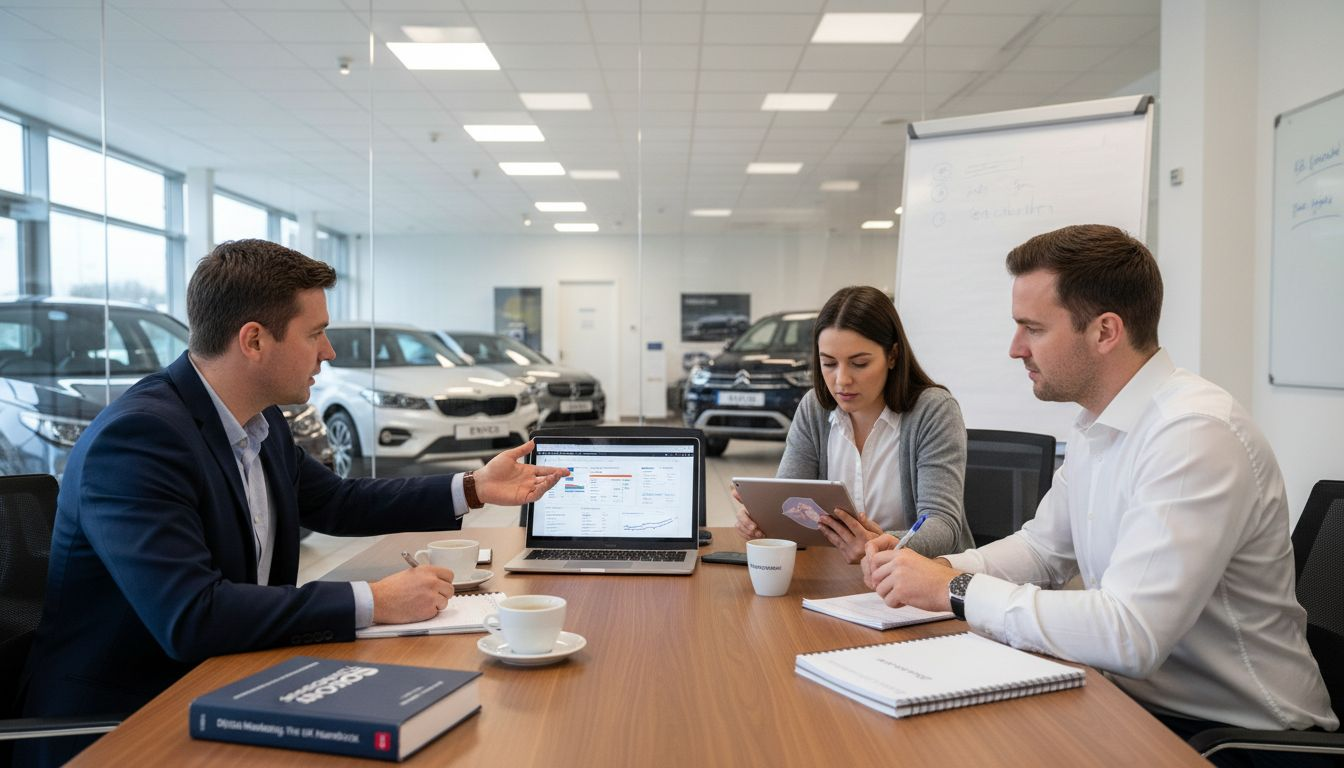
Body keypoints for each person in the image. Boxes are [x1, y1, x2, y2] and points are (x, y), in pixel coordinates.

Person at [17, 240, 568, 765]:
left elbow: (339, 503)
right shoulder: (139, 440)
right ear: (254, 340)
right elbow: (192, 615)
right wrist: (373, 599)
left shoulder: (259, 422)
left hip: (226, 678)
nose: (328, 352)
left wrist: (473, 487)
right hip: (126, 719)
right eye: (317, 334)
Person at [862, 225, 1337, 764]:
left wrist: (956, 588)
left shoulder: (1194, 433)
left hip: (1239, 738)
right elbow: (1043, 550)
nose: (1015, 348)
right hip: (1138, 704)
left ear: (1105, 331)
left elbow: (1129, 634)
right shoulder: (1099, 424)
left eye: (1032, 329)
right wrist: (935, 566)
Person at [736, 285, 973, 563]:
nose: (842, 380)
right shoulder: (814, 409)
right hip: (829, 578)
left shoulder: (933, 411)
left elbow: (942, 526)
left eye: (859, 363)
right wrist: (762, 519)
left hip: (913, 581)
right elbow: (789, 505)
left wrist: (879, 545)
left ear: (893, 356)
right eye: (829, 363)